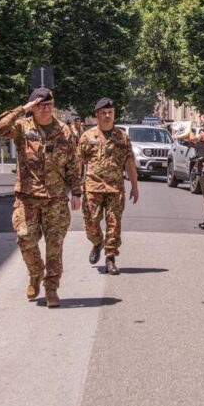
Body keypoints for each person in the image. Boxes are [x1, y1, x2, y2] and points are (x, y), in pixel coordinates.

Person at [0, 88, 81, 307]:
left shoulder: (64, 131)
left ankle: (51, 288)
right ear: (33, 107)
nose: (46, 109)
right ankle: (35, 273)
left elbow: (72, 163)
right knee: (25, 239)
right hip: (27, 197)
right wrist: (22, 109)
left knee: (55, 246)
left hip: (56, 199)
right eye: (40, 106)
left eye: (49, 105)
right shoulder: (22, 127)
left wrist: (77, 192)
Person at [78, 98, 139, 275]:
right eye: (104, 113)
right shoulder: (87, 136)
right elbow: (79, 162)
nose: (107, 116)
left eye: (110, 113)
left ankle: (110, 257)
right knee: (91, 223)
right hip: (92, 188)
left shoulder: (122, 137)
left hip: (115, 189)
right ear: (97, 115)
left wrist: (135, 186)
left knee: (114, 224)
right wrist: (75, 187)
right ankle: (97, 242)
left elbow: (129, 163)